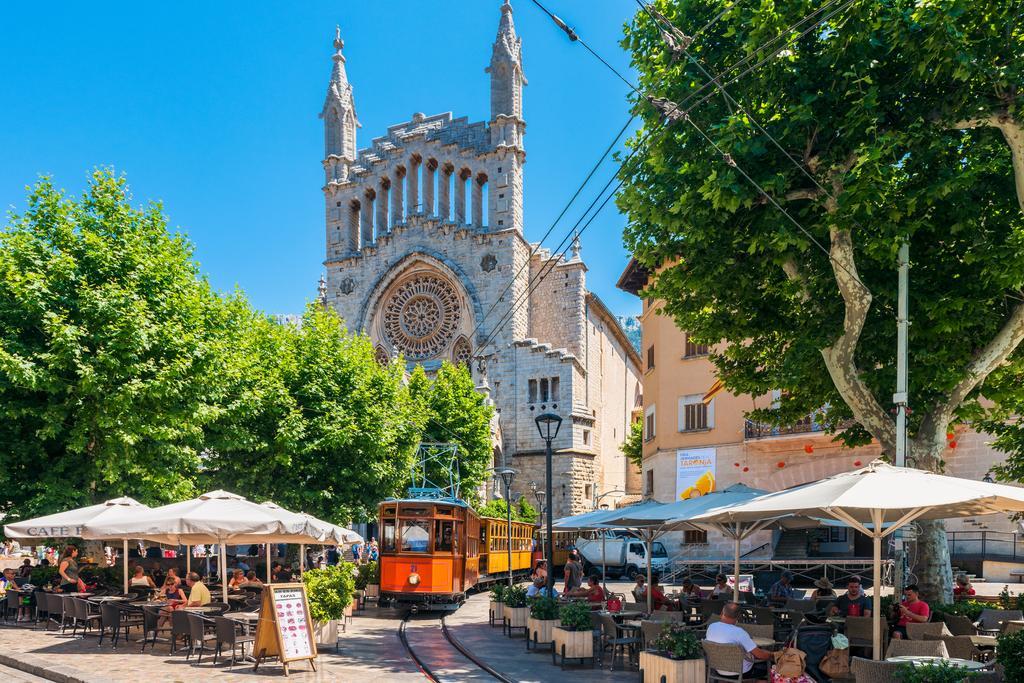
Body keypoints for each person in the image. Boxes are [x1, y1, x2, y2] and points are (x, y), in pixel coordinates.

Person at [706, 602, 774, 681]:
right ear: (738, 616)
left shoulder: (712, 627)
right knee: (767, 667)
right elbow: (760, 655)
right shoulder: (739, 632)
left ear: (722, 613)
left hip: (718, 669)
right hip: (741, 672)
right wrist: (773, 655)